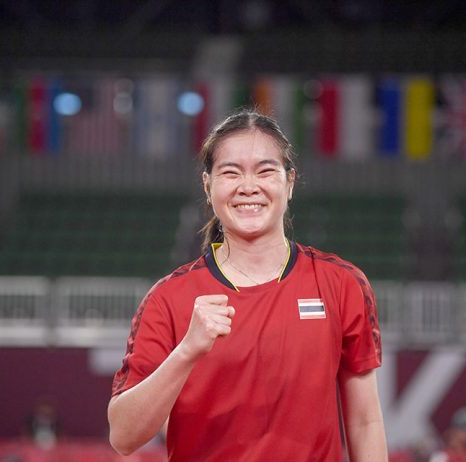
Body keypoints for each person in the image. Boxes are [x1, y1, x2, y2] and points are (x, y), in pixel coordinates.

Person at [108, 109, 388, 461]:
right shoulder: (169, 298)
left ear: (289, 182)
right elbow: (124, 436)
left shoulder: (341, 284)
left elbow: (365, 422)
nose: (248, 187)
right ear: (208, 187)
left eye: (265, 171)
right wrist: (187, 351)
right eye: (231, 172)